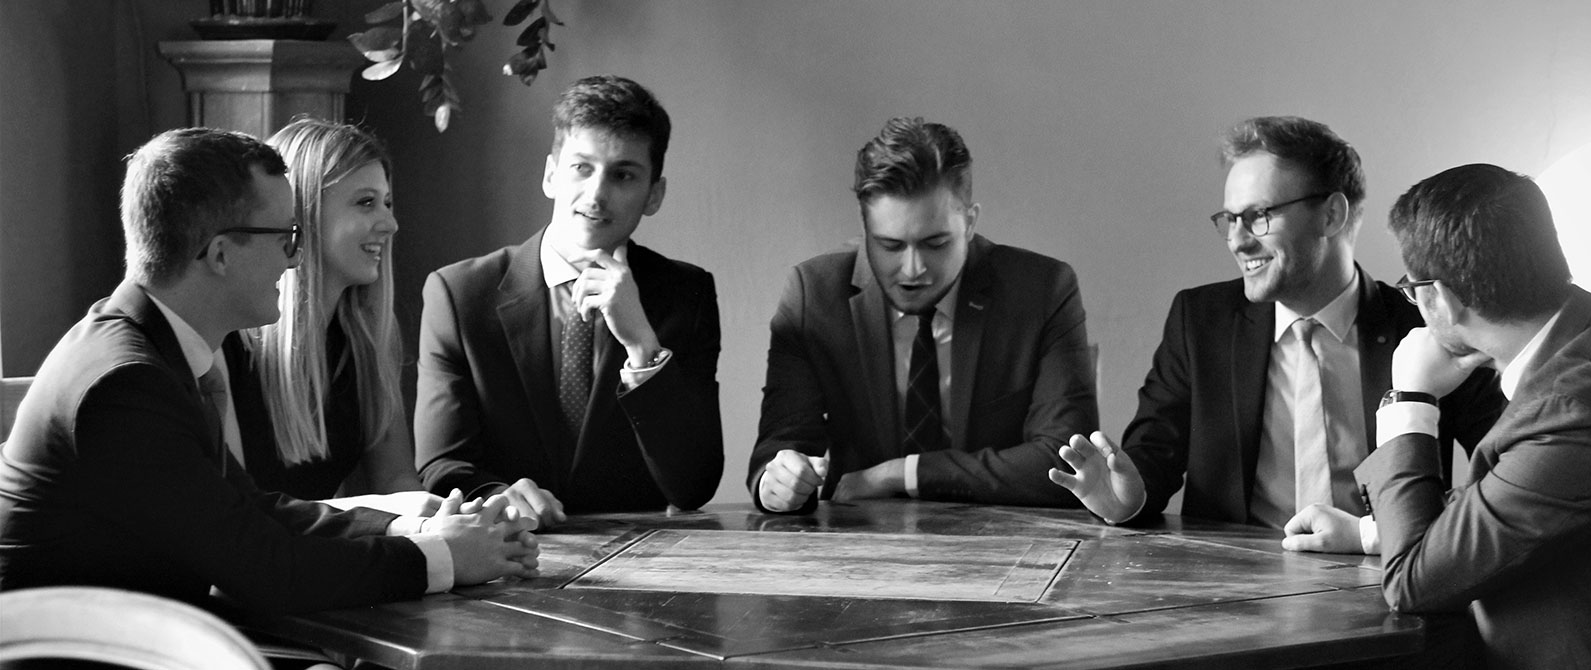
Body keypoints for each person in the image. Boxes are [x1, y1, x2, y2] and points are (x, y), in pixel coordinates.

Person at [0, 128, 538, 615]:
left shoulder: (155, 349)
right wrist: (442, 558)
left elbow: (255, 511)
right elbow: (267, 570)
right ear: (220, 255)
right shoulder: (127, 383)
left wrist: (419, 529)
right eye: (286, 238)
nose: (294, 260)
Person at [1049, 117, 1501, 552]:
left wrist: (1382, 534)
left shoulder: (1424, 323)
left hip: (1383, 572)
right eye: (1229, 219)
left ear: (1331, 215)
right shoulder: (1201, 319)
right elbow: (1153, 453)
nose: (1237, 240)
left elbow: (1507, 469)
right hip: (1234, 581)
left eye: (1258, 216)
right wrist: (1127, 499)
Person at [415, 75, 722, 526]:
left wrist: (643, 348)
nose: (597, 194)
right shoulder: (458, 294)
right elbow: (441, 463)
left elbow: (693, 485)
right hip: (506, 546)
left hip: (641, 553)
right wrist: (499, 496)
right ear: (550, 175)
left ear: (653, 195)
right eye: (582, 167)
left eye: (623, 175)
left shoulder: (686, 295)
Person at [750, 116, 1098, 513]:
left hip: (1008, 535)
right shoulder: (814, 295)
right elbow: (779, 448)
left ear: (970, 222)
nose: (912, 269)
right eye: (890, 245)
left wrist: (903, 474)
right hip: (858, 538)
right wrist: (778, 484)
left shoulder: (1042, 291)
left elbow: (1069, 464)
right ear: (865, 229)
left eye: (935, 243)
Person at [1355, 163, 1591, 668]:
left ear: (1440, 298)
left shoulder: (1570, 410)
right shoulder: (1580, 345)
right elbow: (1523, 499)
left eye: (1412, 288)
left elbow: (1413, 583)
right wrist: (1368, 534)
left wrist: (1410, 398)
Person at [217, 119, 433, 517]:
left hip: (324, 549)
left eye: (387, 203)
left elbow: (396, 481)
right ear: (303, 212)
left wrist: (460, 512)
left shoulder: (370, 336)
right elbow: (236, 516)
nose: (390, 224)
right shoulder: (226, 343)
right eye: (366, 202)